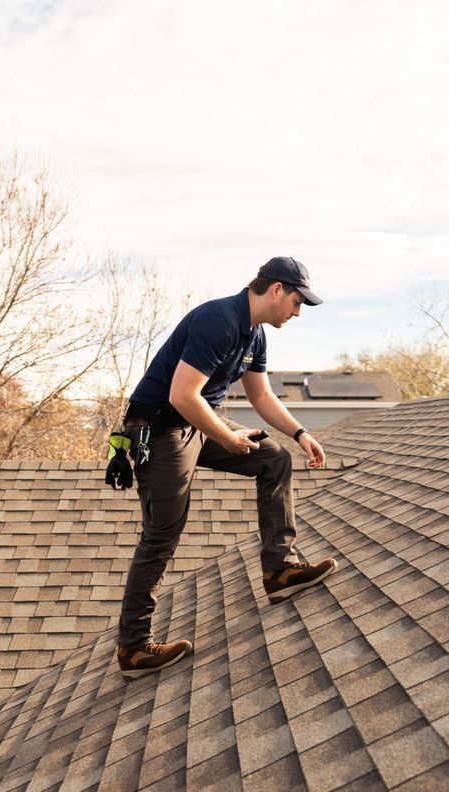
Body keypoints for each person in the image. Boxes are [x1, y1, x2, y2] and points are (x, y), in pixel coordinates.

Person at [116, 256, 338, 678]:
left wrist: (300, 433)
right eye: (296, 302)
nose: (296, 312)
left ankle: (280, 569)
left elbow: (262, 398)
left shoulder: (255, 335)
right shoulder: (217, 320)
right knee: (162, 533)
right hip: (162, 429)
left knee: (275, 458)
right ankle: (133, 649)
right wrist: (224, 436)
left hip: (200, 421)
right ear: (275, 290)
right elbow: (183, 395)